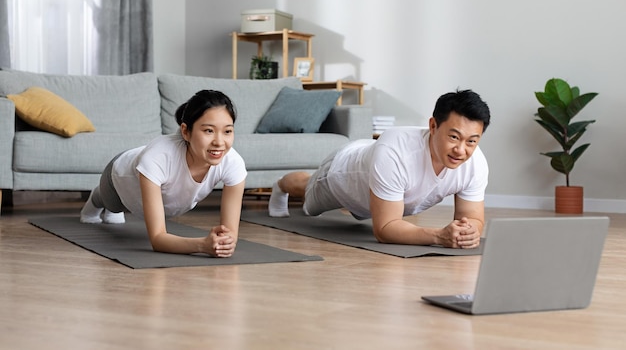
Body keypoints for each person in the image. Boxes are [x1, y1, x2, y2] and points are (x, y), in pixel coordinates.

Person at [268, 89, 490, 249]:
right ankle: (280, 184)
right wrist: (439, 236)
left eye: (471, 141)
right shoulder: (396, 151)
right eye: (454, 137)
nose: (461, 150)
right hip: (343, 174)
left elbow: (473, 218)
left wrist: (468, 232)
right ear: (433, 126)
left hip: (377, 172)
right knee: (308, 197)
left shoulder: (475, 163)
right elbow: (385, 229)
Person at [80, 90, 247, 258]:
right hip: (120, 175)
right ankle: (95, 199)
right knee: (112, 205)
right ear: (185, 131)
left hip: (160, 191)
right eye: (209, 131)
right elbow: (158, 239)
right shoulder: (157, 158)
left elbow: (230, 233)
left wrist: (223, 242)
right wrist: (203, 245)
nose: (219, 142)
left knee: (117, 214)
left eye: (227, 131)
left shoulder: (233, 162)